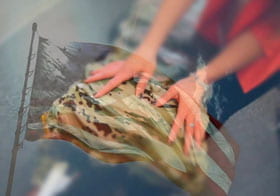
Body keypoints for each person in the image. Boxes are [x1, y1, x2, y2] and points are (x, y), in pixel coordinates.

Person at [84, 0, 280, 155]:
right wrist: (147, 49)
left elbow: (270, 30)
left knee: (186, 130)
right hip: (220, 23)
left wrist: (200, 79)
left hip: (260, 49)